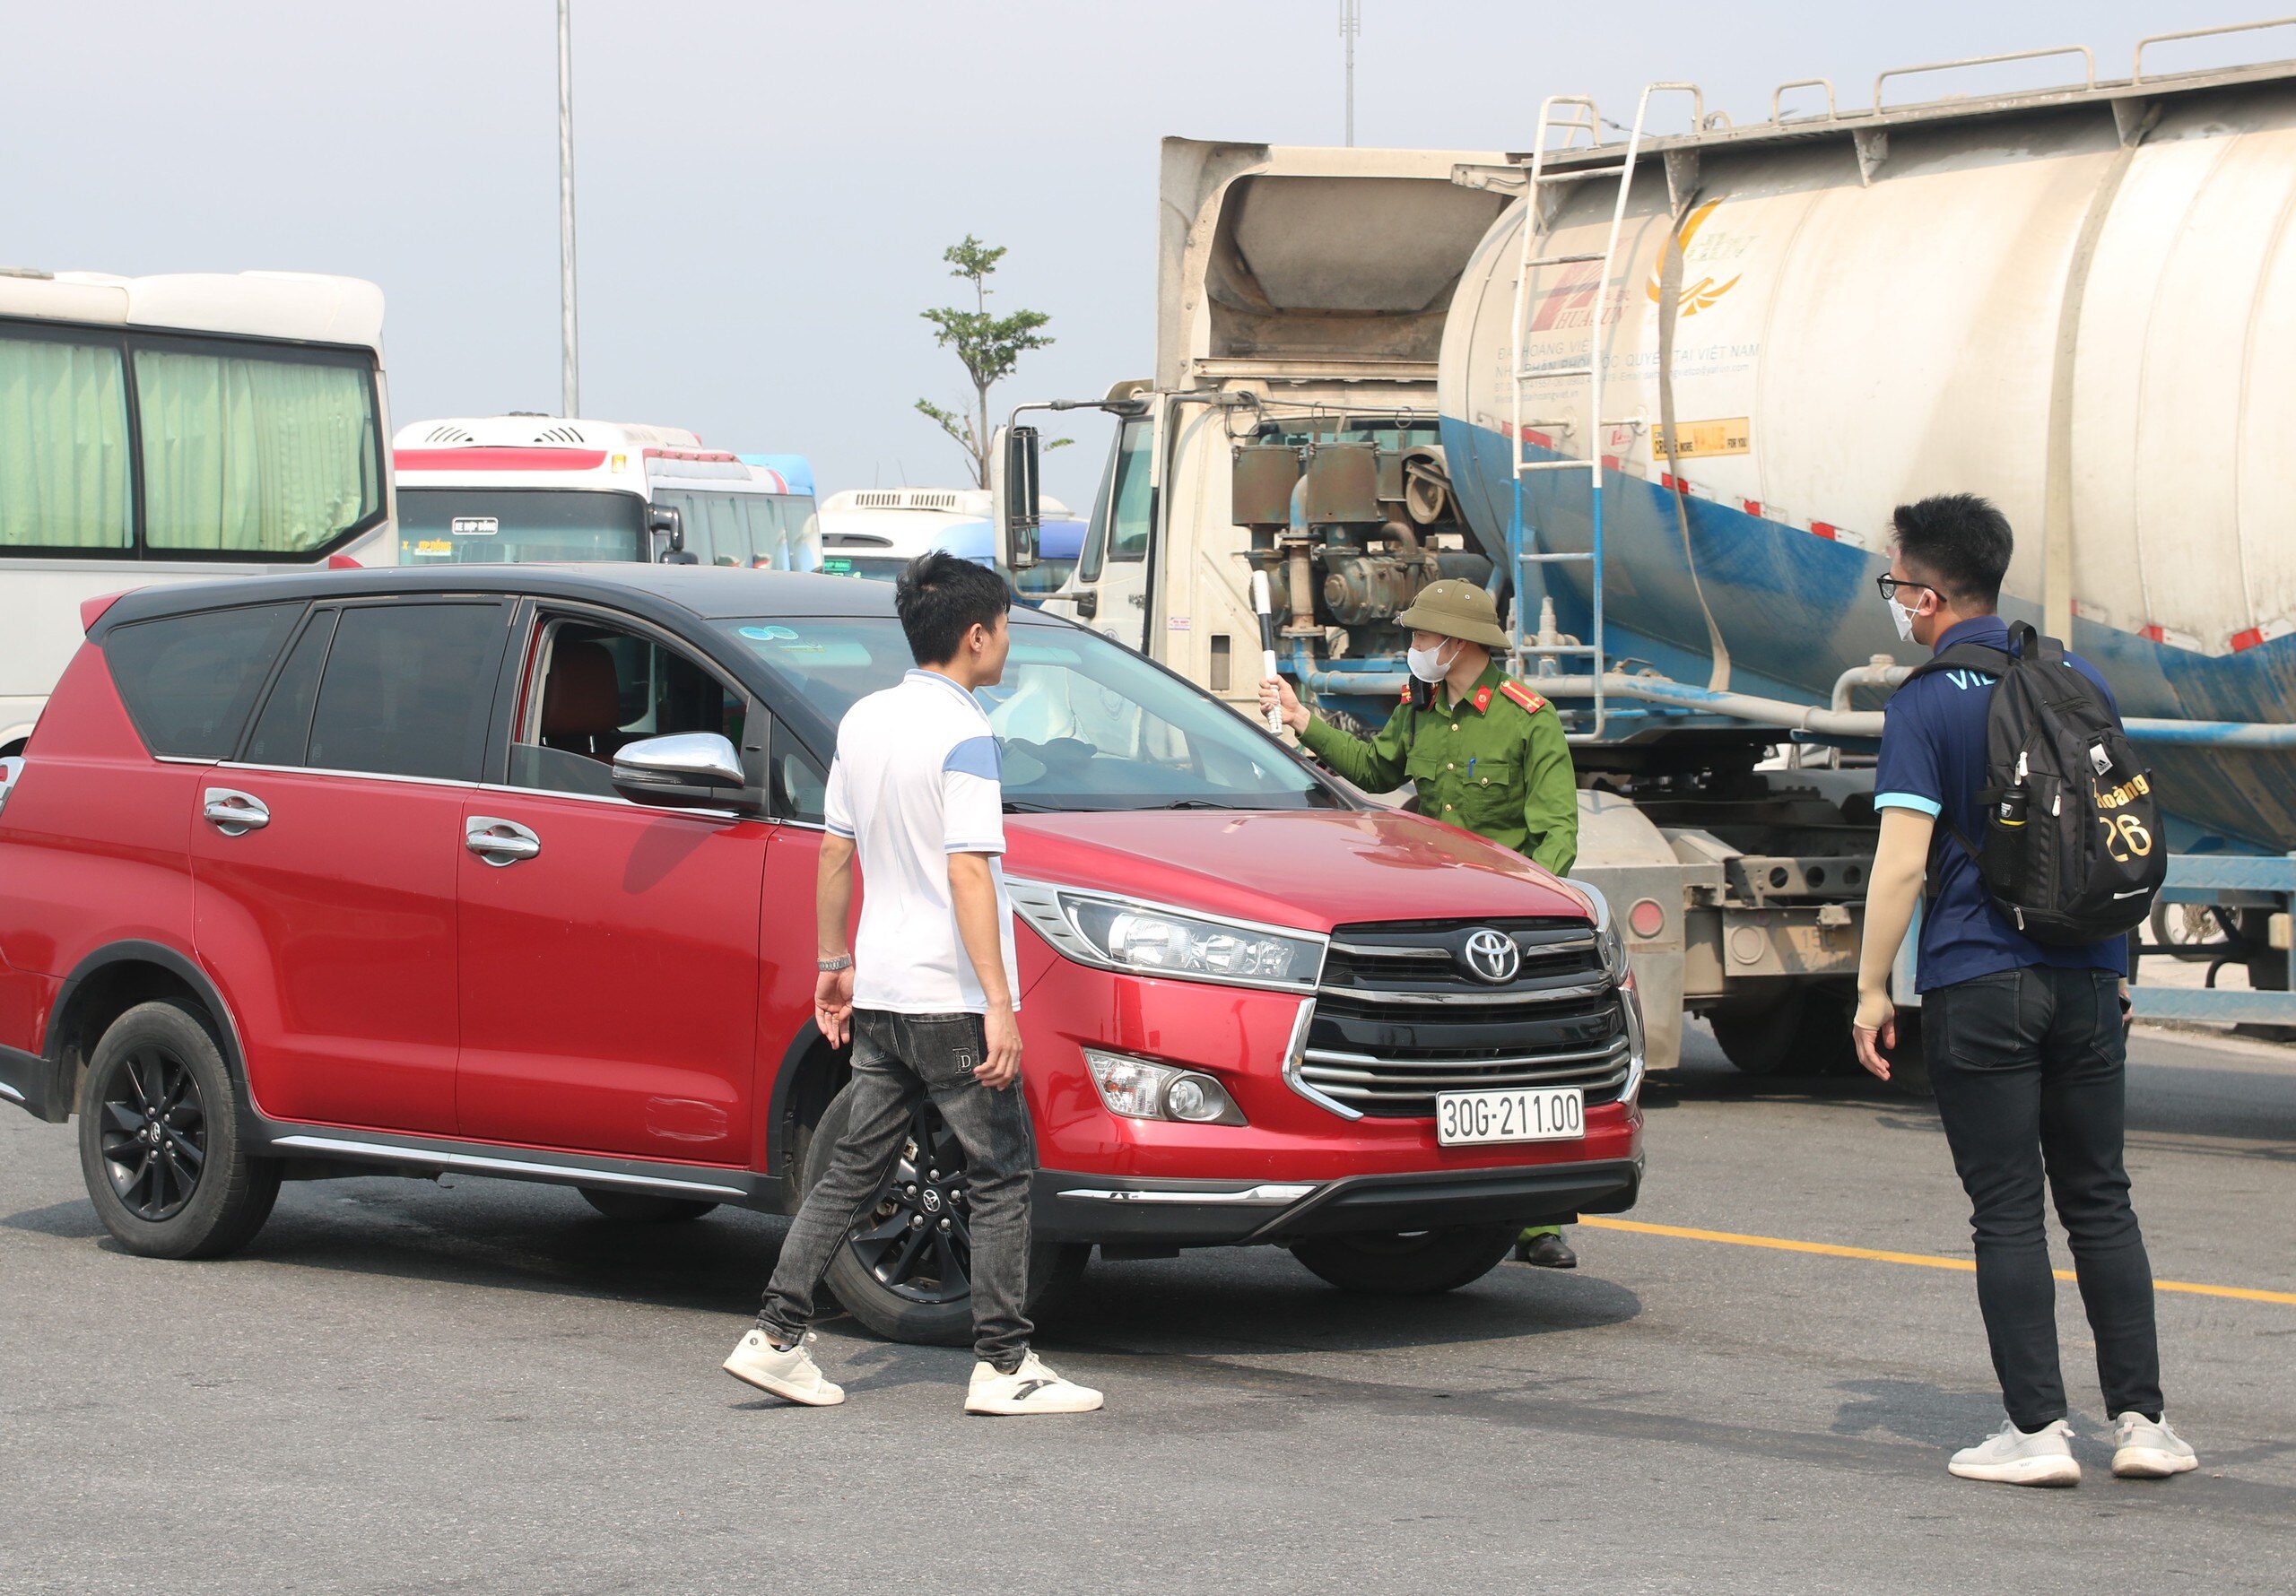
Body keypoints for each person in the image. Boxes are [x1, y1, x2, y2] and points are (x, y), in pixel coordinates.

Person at [1851, 493, 2194, 1487]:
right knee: (2101, 1200)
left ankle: (2037, 1433)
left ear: (1923, 594)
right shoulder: (2075, 678)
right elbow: (2111, 833)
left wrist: (1873, 990)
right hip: (2089, 971)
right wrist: (2118, 967)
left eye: (1894, 581)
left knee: (2006, 1207)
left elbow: (1900, 864)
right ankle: (2143, 1423)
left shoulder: (1922, 701)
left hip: (1977, 974)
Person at [723, 551, 1101, 1417]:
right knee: (1002, 1172)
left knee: (853, 1169)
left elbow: (833, 852)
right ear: (977, 635)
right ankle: (1006, 1365)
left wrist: (832, 965)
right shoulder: (965, 733)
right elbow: (971, 873)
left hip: (884, 987)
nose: (1008, 639)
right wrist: (1000, 1006)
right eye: (1004, 625)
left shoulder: (864, 721)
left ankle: (777, 1336)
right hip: (949, 995)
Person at [1260, 578, 1583, 1269]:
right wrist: (1301, 719)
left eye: (1419, 637)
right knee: (1442, 1072)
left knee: (1515, 1069)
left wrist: (1521, 917)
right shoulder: (1421, 706)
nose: (1413, 649)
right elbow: (1376, 772)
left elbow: (1555, 837)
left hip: (1502, 930)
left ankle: (1534, 1222)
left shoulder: (1528, 718)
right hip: (1430, 925)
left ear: (1456, 642)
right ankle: (1447, 1196)